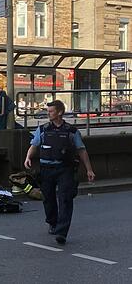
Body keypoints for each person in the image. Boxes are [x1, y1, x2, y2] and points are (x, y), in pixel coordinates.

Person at [24, 100, 95, 245]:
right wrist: (28, 157)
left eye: (51, 111)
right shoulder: (43, 129)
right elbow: (34, 145)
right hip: (46, 169)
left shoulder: (71, 131)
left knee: (65, 199)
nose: (48, 114)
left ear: (60, 112)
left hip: (65, 169)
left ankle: (62, 232)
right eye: (48, 111)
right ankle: (52, 222)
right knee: (48, 198)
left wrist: (89, 169)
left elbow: (81, 150)